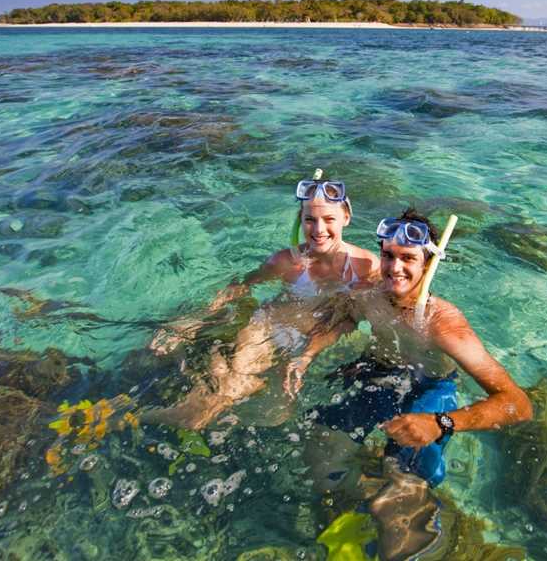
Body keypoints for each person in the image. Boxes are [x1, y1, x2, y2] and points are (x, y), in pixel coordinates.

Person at [283, 208, 533, 559]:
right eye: (387, 255)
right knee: (319, 447)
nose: (394, 268)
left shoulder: (443, 323)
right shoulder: (369, 294)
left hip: (430, 388)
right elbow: (345, 318)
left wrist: (441, 423)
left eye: (407, 258)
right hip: (382, 374)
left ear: (429, 264)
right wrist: (308, 353)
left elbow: (518, 404)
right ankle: (349, 517)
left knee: (398, 500)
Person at [145, 176, 380, 429]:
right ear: (300, 220)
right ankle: (126, 419)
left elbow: (352, 318)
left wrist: (308, 354)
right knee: (213, 403)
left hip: (302, 341)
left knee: (272, 411)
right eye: (310, 219)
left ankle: (147, 405)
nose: (319, 230)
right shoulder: (286, 262)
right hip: (265, 327)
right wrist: (188, 324)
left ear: (346, 217)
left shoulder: (367, 267)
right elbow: (239, 287)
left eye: (329, 219)